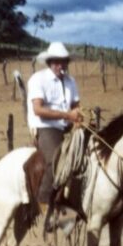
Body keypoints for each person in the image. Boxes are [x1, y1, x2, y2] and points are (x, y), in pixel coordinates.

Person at [27, 42, 83, 222]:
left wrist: (78, 119)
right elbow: (38, 110)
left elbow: (76, 105)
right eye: (56, 62)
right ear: (49, 62)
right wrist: (68, 115)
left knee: (86, 155)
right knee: (53, 160)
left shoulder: (70, 81)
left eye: (63, 62)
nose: (60, 66)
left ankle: (76, 200)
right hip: (45, 126)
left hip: (66, 125)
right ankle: (43, 202)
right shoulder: (38, 79)